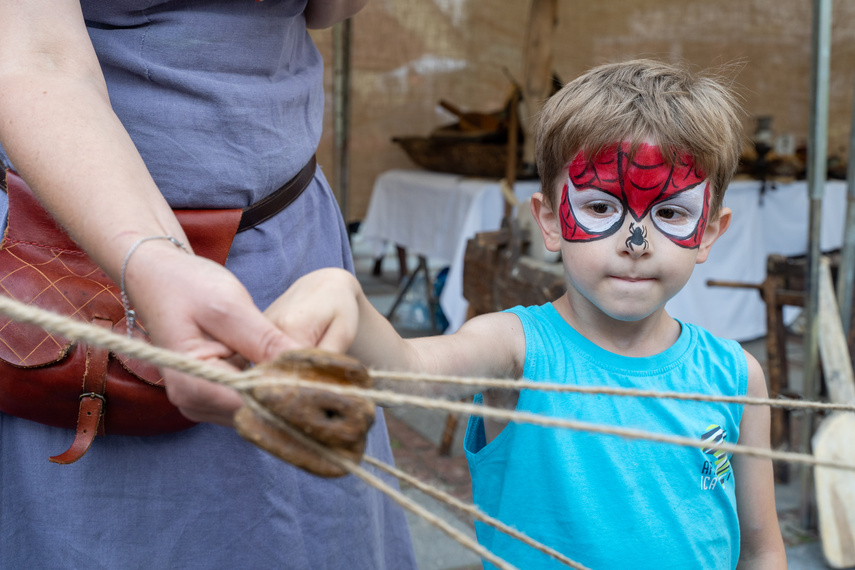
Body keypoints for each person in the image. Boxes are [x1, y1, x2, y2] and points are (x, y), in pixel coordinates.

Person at [265, 59, 788, 568]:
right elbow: (410, 368)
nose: (636, 242)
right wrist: (346, 300)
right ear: (550, 221)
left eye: (671, 213)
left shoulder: (736, 376)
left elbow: (762, 550)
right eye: (601, 206)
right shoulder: (514, 350)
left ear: (709, 233)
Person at [0, 1, 416, 568]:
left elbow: (327, 8)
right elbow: (36, 56)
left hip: (285, 249)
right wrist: (151, 259)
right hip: (57, 259)